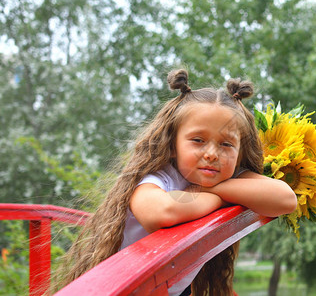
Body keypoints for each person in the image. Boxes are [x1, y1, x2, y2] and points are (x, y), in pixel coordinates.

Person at [54, 69, 297, 295]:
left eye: (226, 144)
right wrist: (218, 196)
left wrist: (212, 188)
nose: (212, 153)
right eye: (198, 140)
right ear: (172, 145)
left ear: (240, 152)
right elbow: (161, 212)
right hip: (127, 288)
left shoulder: (225, 177)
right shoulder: (159, 178)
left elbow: (285, 199)